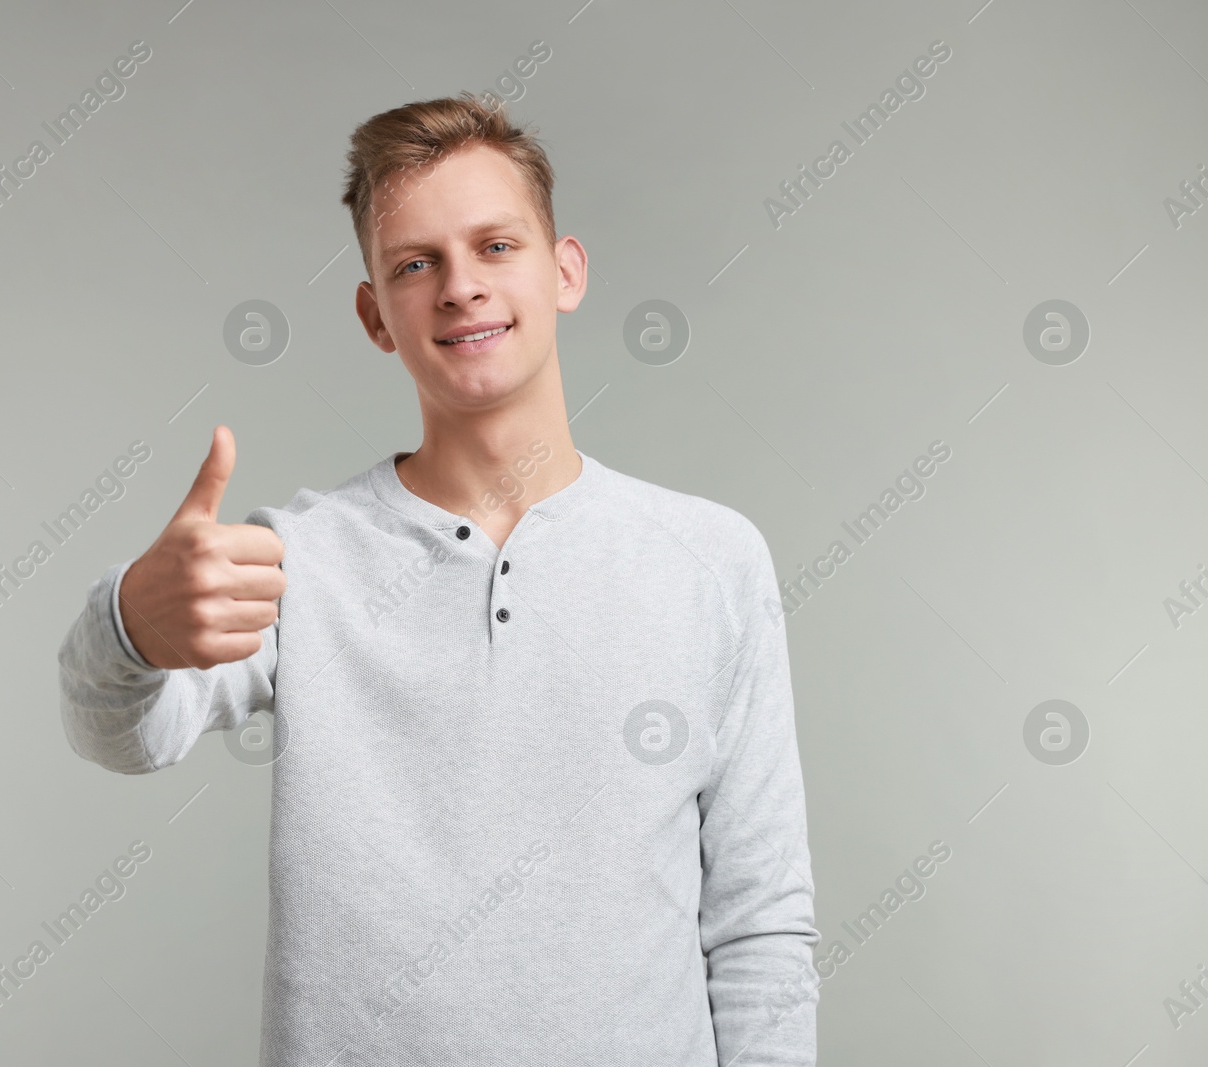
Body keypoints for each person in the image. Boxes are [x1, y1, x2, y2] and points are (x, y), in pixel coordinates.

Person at [58, 92, 819, 1066]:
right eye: (416, 263)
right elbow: (122, 734)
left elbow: (760, 923)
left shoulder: (712, 559)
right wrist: (128, 624)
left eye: (495, 246)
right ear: (376, 313)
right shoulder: (298, 558)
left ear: (565, 270)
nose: (460, 286)